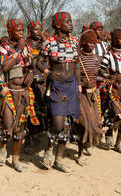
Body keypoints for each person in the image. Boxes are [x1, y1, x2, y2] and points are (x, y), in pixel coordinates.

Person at [36, 11, 81, 173]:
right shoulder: (49, 43)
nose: (71, 24)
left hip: (72, 86)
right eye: (67, 22)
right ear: (57, 25)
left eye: (71, 21)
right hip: (56, 87)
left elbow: (76, 65)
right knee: (57, 124)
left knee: (68, 125)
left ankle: (59, 160)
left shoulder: (75, 41)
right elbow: (38, 63)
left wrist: (79, 86)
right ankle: (49, 147)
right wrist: (47, 72)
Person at [0, 18, 39, 172]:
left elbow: (33, 64)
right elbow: (5, 67)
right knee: (8, 125)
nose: (22, 33)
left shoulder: (27, 47)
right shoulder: (4, 47)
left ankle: (16, 159)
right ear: (10, 32)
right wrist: (18, 51)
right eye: (18, 30)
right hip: (9, 91)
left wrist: (32, 74)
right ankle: (2, 147)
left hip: (24, 92)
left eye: (23, 30)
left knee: (20, 128)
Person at [100, 28, 121, 153]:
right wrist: (108, 77)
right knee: (117, 113)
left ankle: (118, 144)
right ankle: (109, 131)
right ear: (115, 39)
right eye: (120, 38)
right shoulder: (108, 55)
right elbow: (101, 71)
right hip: (113, 89)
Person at [75, 29, 104, 165]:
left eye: (94, 43)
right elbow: (73, 75)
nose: (92, 45)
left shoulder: (97, 59)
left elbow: (97, 75)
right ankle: (80, 154)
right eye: (89, 43)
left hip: (93, 94)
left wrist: (105, 78)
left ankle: (88, 144)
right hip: (80, 94)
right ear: (84, 43)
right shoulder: (78, 58)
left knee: (97, 122)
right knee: (85, 123)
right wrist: (81, 83)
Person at [25, 20, 48, 150]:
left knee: (45, 108)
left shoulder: (45, 44)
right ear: (30, 30)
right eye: (36, 29)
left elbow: (48, 60)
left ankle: (40, 133)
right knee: (29, 109)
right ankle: (28, 138)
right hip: (28, 80)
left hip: (43, 81)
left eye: (40, 29)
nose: (39, 32)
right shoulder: (25, 44)